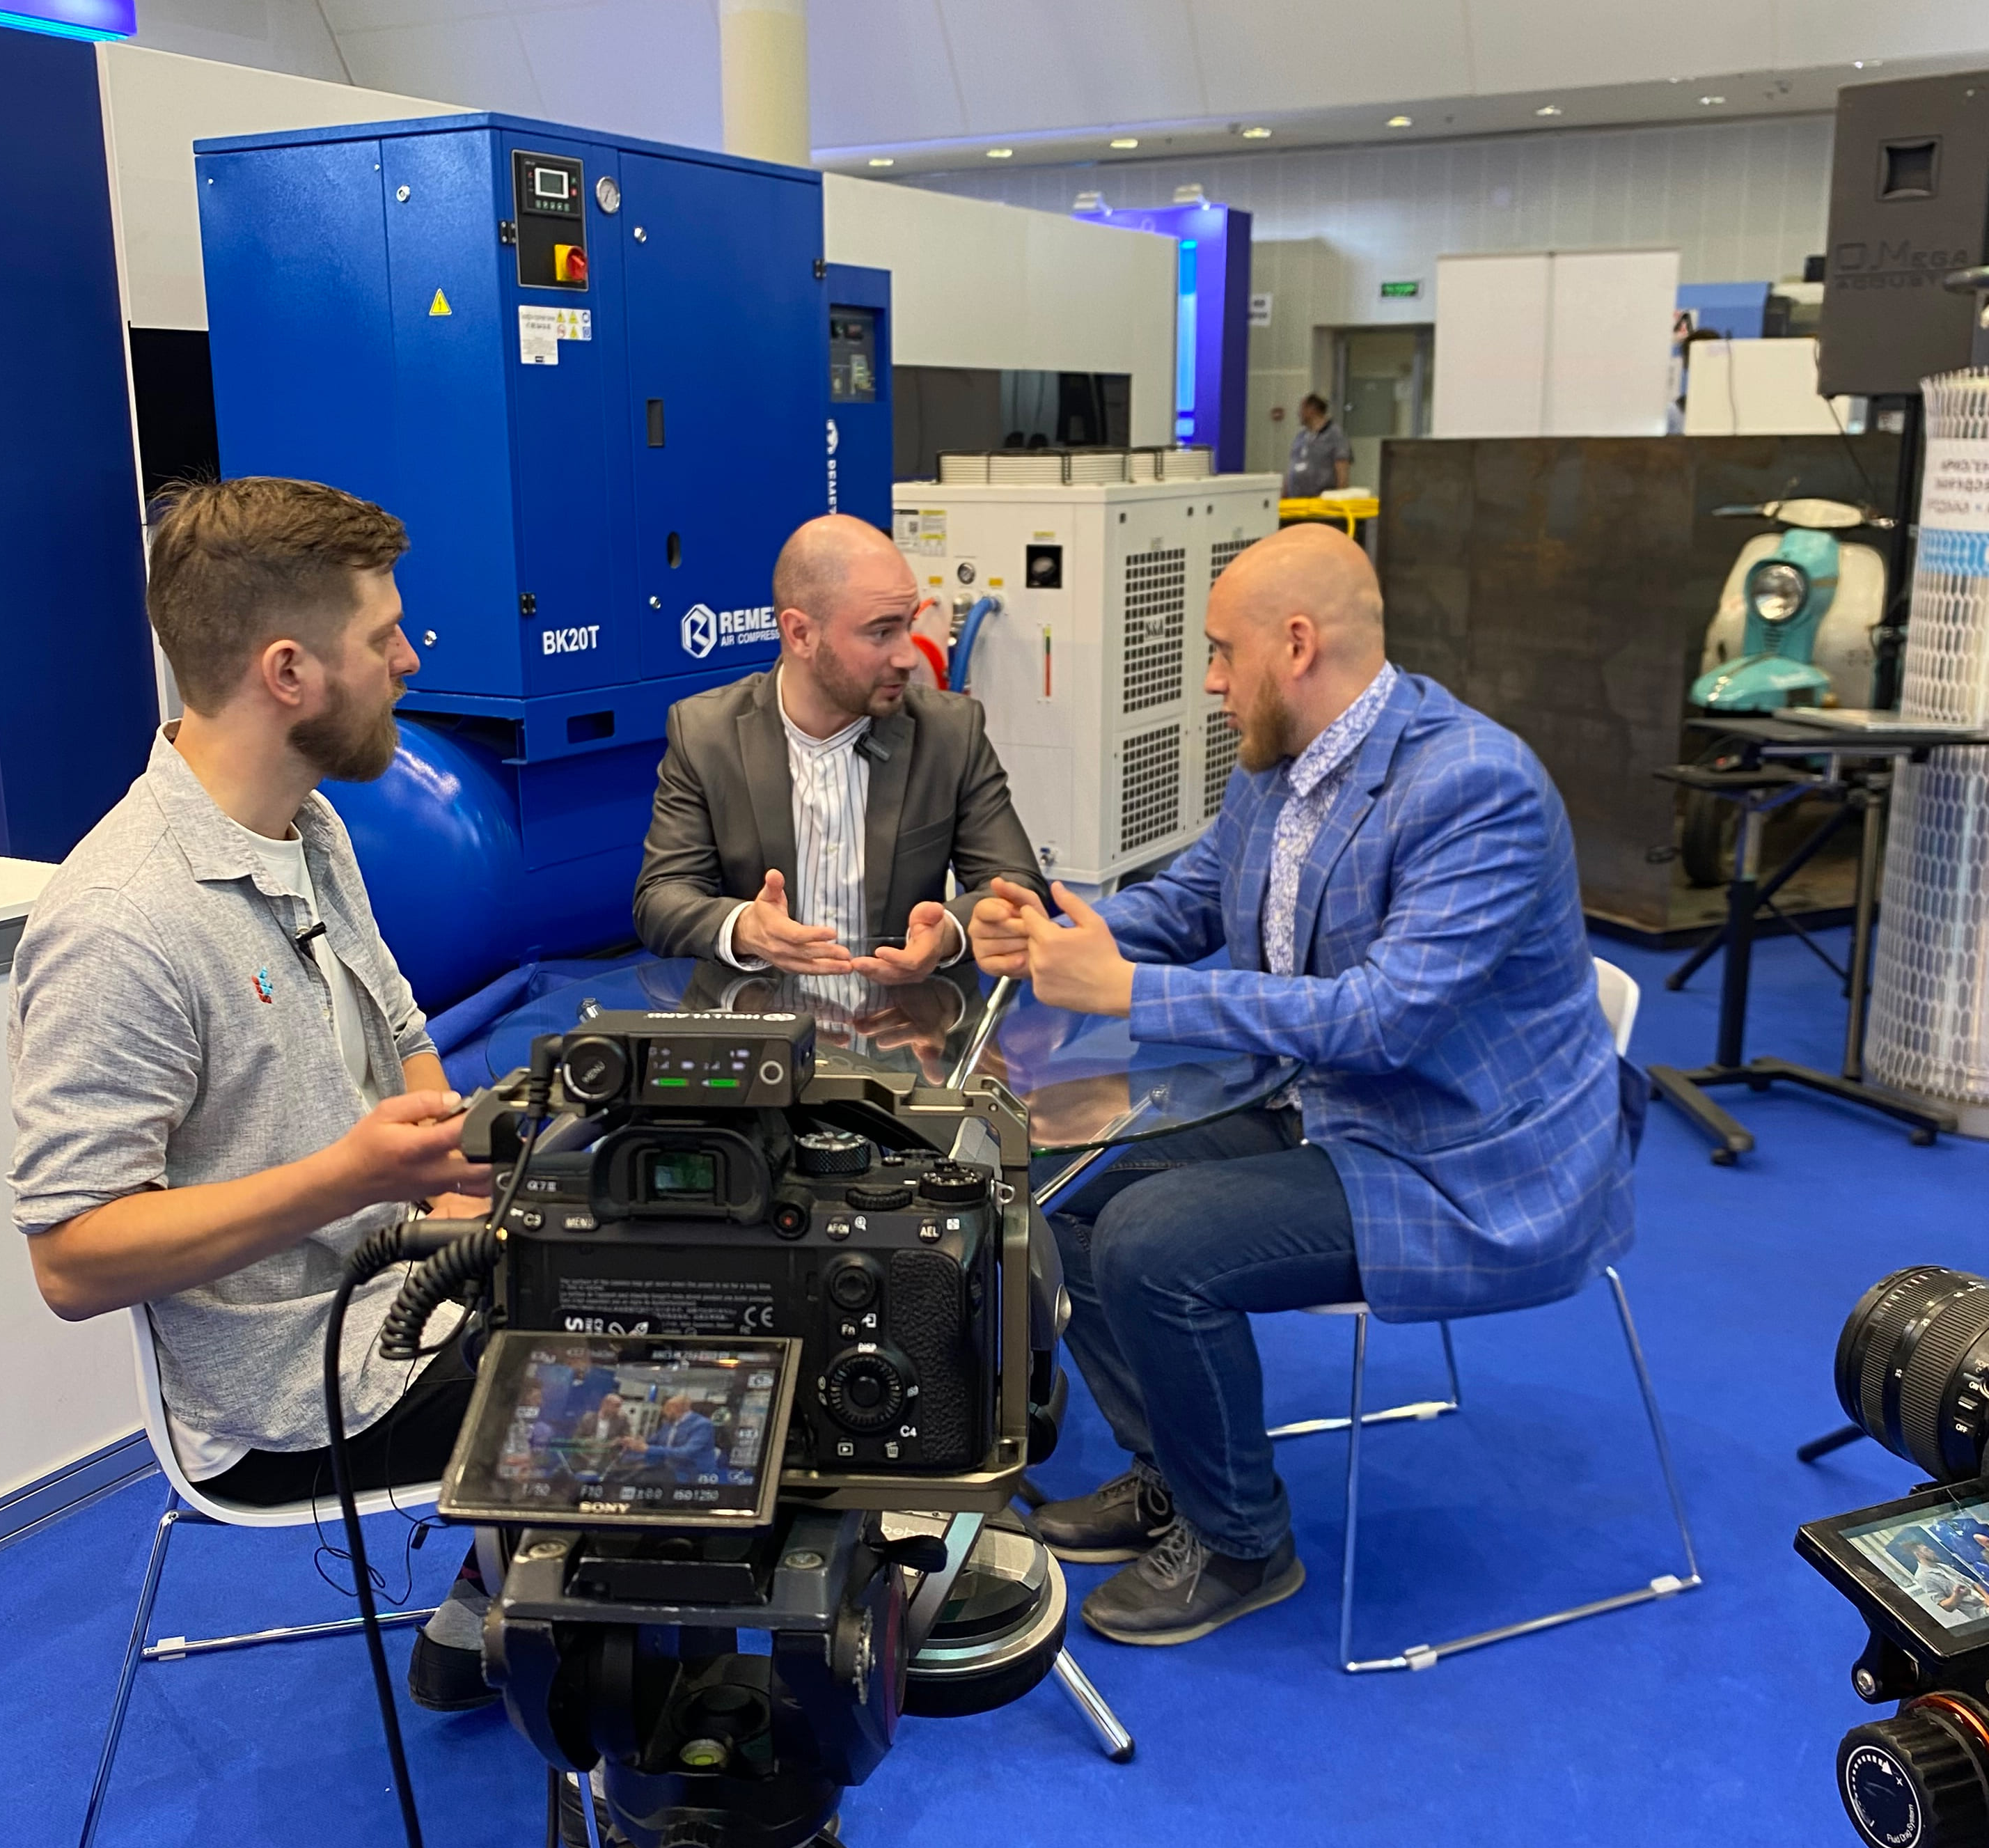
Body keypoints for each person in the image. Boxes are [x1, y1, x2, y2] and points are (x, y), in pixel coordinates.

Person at [969, 525, 1641, 1648]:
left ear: (1294, 644)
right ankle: (1176, 1474)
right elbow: (1192, 898)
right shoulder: (1285, 762)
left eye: (1220, 652)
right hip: (1328, 1108)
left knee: (1152, 1242)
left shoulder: (1475, 785)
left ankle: (1242, 1545)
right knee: (1062, 1189)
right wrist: (1046, 935)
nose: (1210, 681)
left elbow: (1383, 1019)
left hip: (1463, 1158)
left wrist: (1125, 992)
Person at [6, 476, 502, 1714]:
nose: (409, 658)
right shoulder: (119, 923)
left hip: (403, 1286)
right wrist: (352, 1179)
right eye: (384, 635)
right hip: (297, 1389)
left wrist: (451, 1191)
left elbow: (402, 1033)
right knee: (663, 1369)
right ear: (289, 672)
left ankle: (505, 1596)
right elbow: (72, 1257)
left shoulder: (308, 825)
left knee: (688, 1269)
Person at [631, 514, 1047, 981]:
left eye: (907, 625)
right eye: (881, 632)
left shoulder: (950, 732)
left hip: (906, 1019)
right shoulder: (706, 734)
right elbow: (661, 900)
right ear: (801, 634)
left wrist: (947, 934)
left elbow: (1019, 889)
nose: (909, 655)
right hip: (760, 1016)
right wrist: (745, 928)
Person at [1286, 393, 1352, 497]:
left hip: (1321, 502)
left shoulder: (1335, 435)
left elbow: (1342, 471)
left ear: (1312, 409)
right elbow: (1292, 468)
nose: (1299, 413)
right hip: (1296, 501)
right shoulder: (1300, 438)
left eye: (1302, 409)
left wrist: (1340, 497)